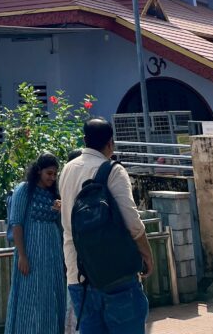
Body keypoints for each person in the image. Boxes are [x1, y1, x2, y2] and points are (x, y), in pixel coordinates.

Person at [60, 117, 153, 334]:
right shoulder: (112, 170)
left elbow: (66, 219)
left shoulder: (67, 170)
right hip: (115, 271)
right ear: (111, 143)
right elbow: (132, 222)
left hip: (78, 271)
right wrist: (146, 255)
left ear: (84, 140)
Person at [5, 152, 66, 334]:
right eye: (49, 173)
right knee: (30, 298)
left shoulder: (53, 194)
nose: (52, 178)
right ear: (38, 171)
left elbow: (60, 226)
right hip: (31, 254)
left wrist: (60, 210)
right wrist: (22, 255)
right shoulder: (24, 190)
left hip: (52, 256)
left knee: (51, 297)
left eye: (55, 174)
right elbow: (16, 223)